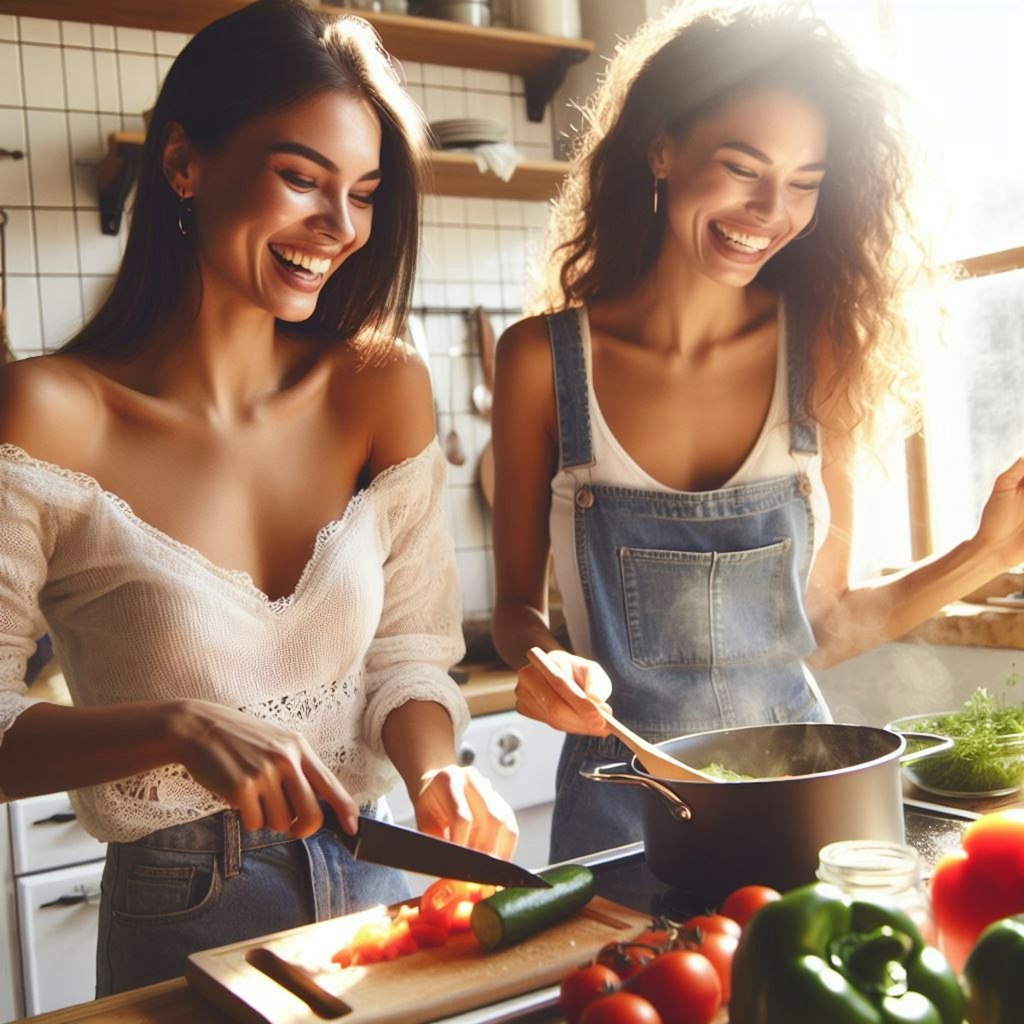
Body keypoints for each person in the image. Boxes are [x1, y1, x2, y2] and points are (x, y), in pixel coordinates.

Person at [0, 0, 517, 995]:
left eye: (363, 193)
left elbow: (409, 655)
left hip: (384, 870)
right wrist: (181, 725)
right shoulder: (51, 412)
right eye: (300, 178)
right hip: (184, 905)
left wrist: (435, 769)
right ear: (184, 164)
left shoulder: (382, 388)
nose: (339, 228)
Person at [489, 0, 1024, 862]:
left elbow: (831, 625)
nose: (771, 209)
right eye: (742, 167)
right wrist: (542, 660)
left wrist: (987, 553)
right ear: (662, 150)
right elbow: (516, 606)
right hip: (626, 797)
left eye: (806, 182)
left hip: (799, 796)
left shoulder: (820, 354)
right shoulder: (539, 363)